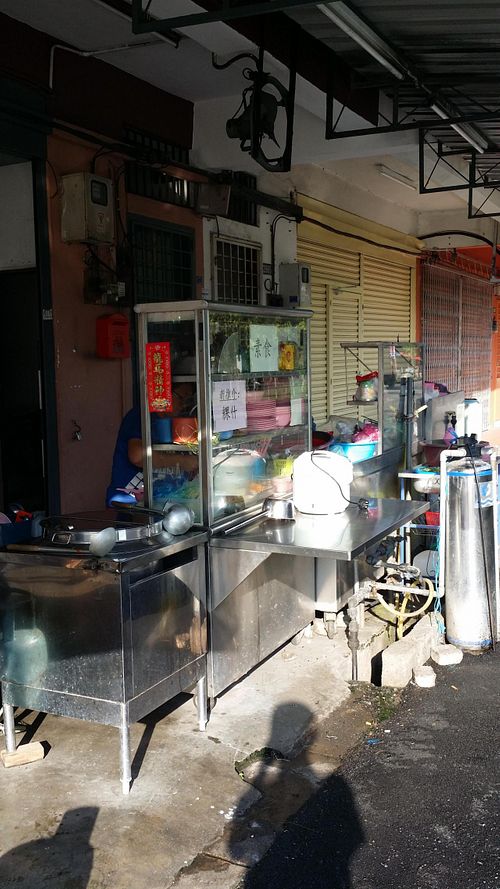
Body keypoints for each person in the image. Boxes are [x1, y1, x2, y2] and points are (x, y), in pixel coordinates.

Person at [106, 405, 198, 507]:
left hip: (166, 503)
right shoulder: (142, 416)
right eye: (181, 397)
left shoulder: (181, 424)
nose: (183, 404)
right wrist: (181, 461)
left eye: (187, 400)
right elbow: (138, 456)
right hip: (132, 502)